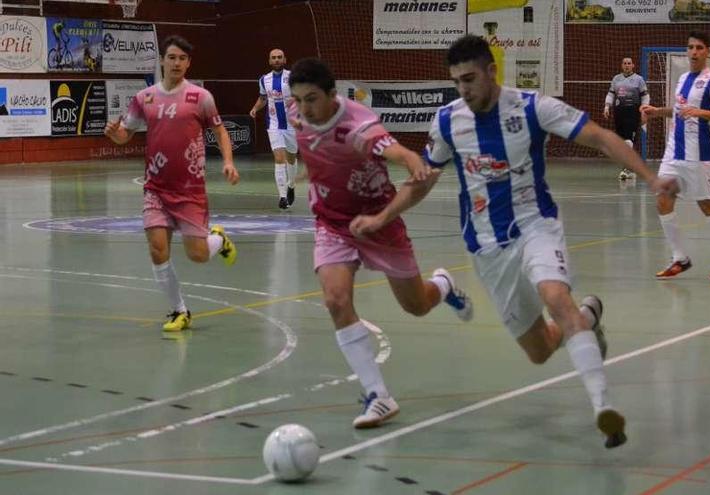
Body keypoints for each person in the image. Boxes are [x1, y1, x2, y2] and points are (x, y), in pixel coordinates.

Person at [351, 35, 676, 449]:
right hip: (487, 248)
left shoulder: (532, 107)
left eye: (470, 79)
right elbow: (422, 182)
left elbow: (598, 137)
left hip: (535, 225)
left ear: (491, 71)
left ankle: (603, 408)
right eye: (457, 82)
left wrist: (651, 179)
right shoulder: (448, 121)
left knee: (556, 295)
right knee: (539, 350)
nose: (464, 89)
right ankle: (588, 319)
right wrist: (381, 217)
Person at [287, 58, 473, 429]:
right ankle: (379, 396)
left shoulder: (358, 125)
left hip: (378, 220)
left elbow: (391, 148)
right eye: (298, 99)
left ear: (331, 95)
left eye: (311, 99)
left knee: (416, 305)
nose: (304, 108)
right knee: (336, 301)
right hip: (333, 223)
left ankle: (443, 285)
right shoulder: (297, 115)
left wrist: (410, 161)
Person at [104, 35, 240, 332]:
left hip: (190, 190)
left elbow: (220, 131)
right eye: (172, 57)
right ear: (162, 61)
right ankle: (179, 311)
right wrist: (113, 133)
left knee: (198, 255)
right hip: (156, 187)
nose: (176, 63)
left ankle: (219, 239)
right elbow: (124, 134)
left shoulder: (200, 97)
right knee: (157, 248)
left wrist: (228, 162)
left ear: (188, 63)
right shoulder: (145, 98)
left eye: (182, 58)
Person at [640, 31, 710, 280]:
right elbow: (680, 111)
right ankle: (680, 258)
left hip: (699, 154)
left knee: (706, 205)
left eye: (699, 48)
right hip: (674, 152)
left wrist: (700, 111)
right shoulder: (683, 78)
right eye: (690, 47)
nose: (694, 52)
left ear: (707, 52)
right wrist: (656, 111)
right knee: (663, 198)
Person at [249, 48, 300, 210]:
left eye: (279, 57)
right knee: (279, 159)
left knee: (291, 158)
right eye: (273, 58)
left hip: (292, 124)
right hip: (274, 124)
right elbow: (263, 97)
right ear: (269, 61)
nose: (277, 60)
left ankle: (291, 185)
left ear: (284, 60)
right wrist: (255, 108)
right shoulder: (264, 79)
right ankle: (282, 196)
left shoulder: (293, 77)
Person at [603, 57, 649, 181]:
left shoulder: (639, 80)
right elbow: (611, 93)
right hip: (619, 113)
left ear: (633, 65)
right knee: (623, 142)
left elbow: (645, 96)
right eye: (624, 63)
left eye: (629, 63)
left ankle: (626, 168)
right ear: (622, 65)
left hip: (633, 113)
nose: (627, 65)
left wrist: (644, 110)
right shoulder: (616, 79)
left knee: (629, 140)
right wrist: (607, 106)